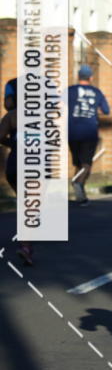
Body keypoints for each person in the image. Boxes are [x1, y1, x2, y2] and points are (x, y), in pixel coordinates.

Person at [67, 65, 110, 205]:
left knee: (78, 162)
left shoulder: (70, 91)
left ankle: (81, 194)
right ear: (91, 78)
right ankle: (78, 183)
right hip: (90, 132)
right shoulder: (96, 92)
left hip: (72, 132)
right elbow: (106, 110)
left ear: (78, 76)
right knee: (86, 163)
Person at [0, 99, 33, 265]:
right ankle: (26, 246)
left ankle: (26, 243)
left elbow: (0, 136)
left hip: (14, 165)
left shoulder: (12, 115)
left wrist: (13, 143)